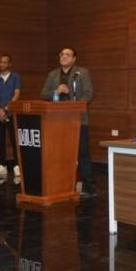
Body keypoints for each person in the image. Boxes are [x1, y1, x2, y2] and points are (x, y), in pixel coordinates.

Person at [40, 47, 95, 196]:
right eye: (62, 54)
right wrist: (56, 92)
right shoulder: (53, 74)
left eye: (67, 55)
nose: (63, 56)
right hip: (57, 121)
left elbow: (89, 94)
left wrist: (75, 108)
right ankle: (61, 185)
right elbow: (43, 94)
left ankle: (88, 187)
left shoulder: (82, 72)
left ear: (74, 59)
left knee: (82, 153)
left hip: (78, 120)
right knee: (59, 154)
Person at [0, 53, 21, 180]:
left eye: (5, 62)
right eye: (1, 62)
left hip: (11, 113)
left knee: (14, 140)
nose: (2, 64)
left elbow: (16, 94)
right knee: (0, 140)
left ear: (9, 64)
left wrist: (6, 109)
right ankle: (2, 165)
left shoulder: (15, 77)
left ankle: (17, 166)